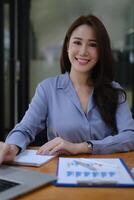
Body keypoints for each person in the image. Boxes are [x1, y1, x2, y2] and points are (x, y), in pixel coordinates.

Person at [0, 14, 134, 164]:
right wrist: (12, 146)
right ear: (67, 46)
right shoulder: (48, 89)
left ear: (101, 51)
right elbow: (25, 129)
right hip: (58, 173)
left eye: (93, 45)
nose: (83, 51)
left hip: (107, 171)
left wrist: (83, 147)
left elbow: (130, 136)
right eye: (77, 42)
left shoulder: (114, 91)